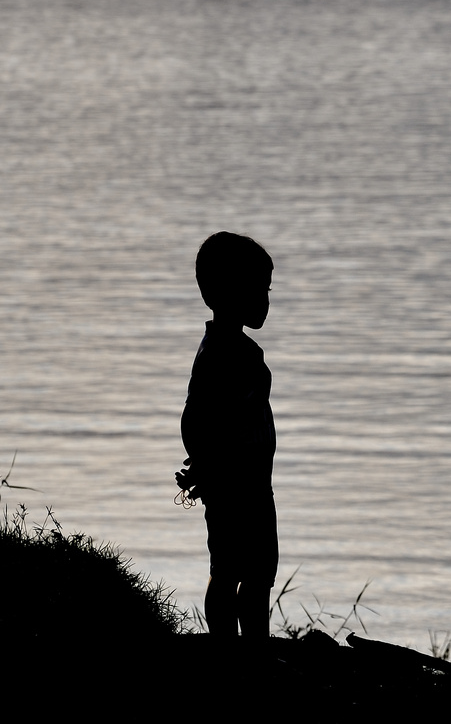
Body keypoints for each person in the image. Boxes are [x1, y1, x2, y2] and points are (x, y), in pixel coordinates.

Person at [181, 231, 278, 640]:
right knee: (242, 572)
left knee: (245, 569)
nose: (266, 300)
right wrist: (206, 465)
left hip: (251, 482)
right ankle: (242, 649)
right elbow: (195, 417)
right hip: (240, 485)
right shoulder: (225, 353)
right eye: (259, 289)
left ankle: (240, 647)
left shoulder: (230, 348)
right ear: (230, 291)